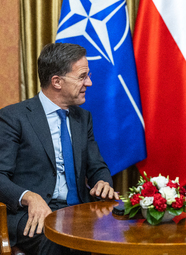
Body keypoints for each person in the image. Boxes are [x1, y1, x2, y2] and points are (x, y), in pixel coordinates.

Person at [0, 43, 119, 255]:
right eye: (82, 76)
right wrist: (29, 196)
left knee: (125, 231)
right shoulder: (14, 118)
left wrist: (103, 181)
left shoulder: (83, 118)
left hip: (80, 210)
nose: (89, 83)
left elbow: (97, 167)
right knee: (61, 240)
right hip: (34, 213)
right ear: (57, 82)